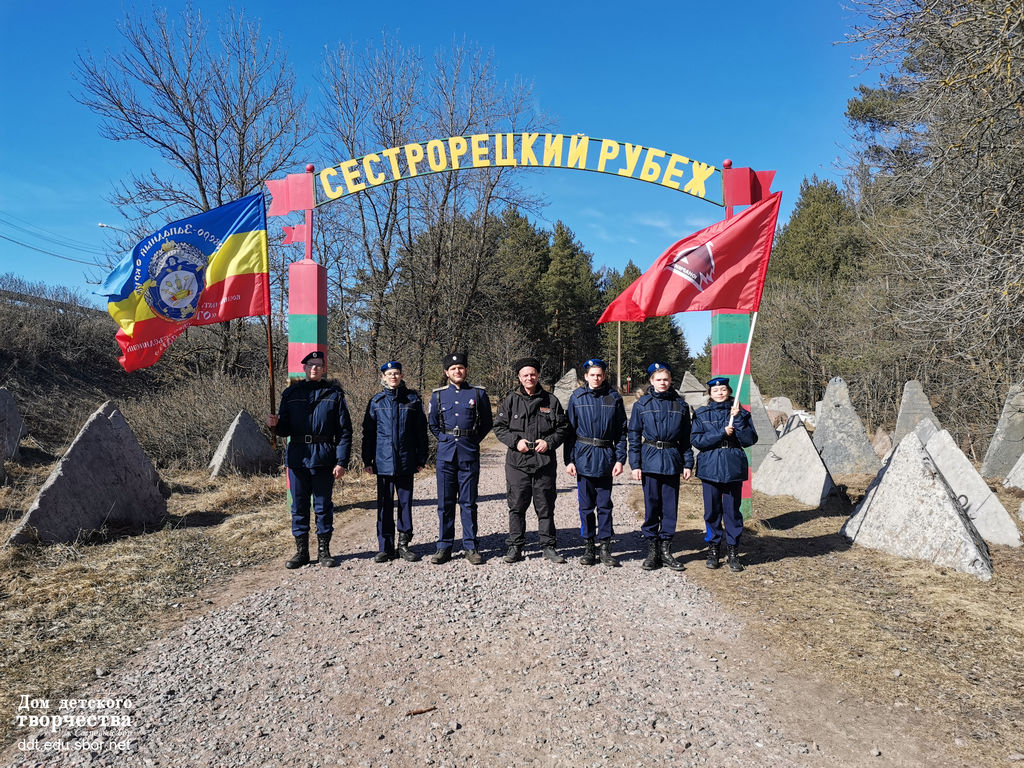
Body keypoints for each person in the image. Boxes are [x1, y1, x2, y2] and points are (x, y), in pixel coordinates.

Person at [266, 350, 352, 569]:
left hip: (324, 457)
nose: (314, 368)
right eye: (311, 365)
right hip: (298, 457)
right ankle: (302, 552)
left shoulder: (334, 395)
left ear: (324, 369)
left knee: (323, 506)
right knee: (299, 506)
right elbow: (284, 430)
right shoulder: (291, 393)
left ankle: (324, 551)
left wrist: (341, 461)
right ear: (304, 368)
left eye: (318, 365)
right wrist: (274, 425)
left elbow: (344, 432)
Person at [493, 357, 568, 564]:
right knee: (517, 506)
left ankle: (548, 546)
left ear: (538, 375)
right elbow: (499, 427)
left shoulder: (551, 401)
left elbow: (563, 428)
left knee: (545, 506)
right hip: (518, 462)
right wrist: (515, 442)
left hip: (544, 462)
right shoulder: (511, 400)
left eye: (533, 374)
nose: (529, 378)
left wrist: (549, 442)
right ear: (519, 377)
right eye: (525, 375)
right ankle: (515, 546)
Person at [427, 352, 493, 565]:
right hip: (446, 455)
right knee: (445, 503)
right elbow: (433, 424)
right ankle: (444, 546)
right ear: (446, 373)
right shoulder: (438, 396)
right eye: (453, 369)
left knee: (468, 502)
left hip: (468, 453)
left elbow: (486, 423)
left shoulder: (478, 393)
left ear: (466, 370)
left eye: (461, 368)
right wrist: (445, 439)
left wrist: (472, 441)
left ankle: (470, 546)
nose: (457, 371)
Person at [627, 362, 694, 571]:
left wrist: (688, 463)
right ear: (651, 381)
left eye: (666, 379)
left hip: (672, 459)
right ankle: (652, 550)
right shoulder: (642, 405)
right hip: (650, 459)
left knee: (670, 508)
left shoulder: (680, 405)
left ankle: (666, 550)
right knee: (652, 506)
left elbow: (686, 438)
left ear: (671, 380)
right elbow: (634, 435)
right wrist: (635, 464)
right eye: (658, 379)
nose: (662, 383)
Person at [361, 361, 429, 563]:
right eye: (389, 373)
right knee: (384, 505)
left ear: (401, 376)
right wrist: (367, 460)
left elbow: (421, 432)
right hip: (383, 462)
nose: (393, 376)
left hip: (406, 461)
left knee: (405, 504)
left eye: (396, 373)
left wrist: (421, 457)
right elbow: (368, 433)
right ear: (383, 377)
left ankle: (404, 545)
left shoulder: (412, 400)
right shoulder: (376, 402)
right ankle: (385, 547)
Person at [690, 376, 758, 572]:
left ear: (728, 391)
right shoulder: (702, 414)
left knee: (732, 512)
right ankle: (713, 548)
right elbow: (697, 441)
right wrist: (721, 432)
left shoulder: (740, 413)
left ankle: (733, 549)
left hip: (732, 466)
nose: (719, 393)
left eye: (723, 390)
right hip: (710, 467)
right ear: (710, 394)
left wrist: (739, 419)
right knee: (712, 511)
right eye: (715, 390)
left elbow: (749, 440)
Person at [563, 358, 626, 567]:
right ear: (586, 376)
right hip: (583, 456)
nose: (596, 378)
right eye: (592, 375)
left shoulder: (614, 398)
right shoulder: (577, 397)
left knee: (605, 505)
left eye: (599, 375)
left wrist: (620, 459)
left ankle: (605, 547)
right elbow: (569, 432)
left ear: (604, 376)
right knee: (586, 506)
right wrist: (569, 460)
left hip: (606, 456)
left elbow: (621, 432)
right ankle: (589, 546)